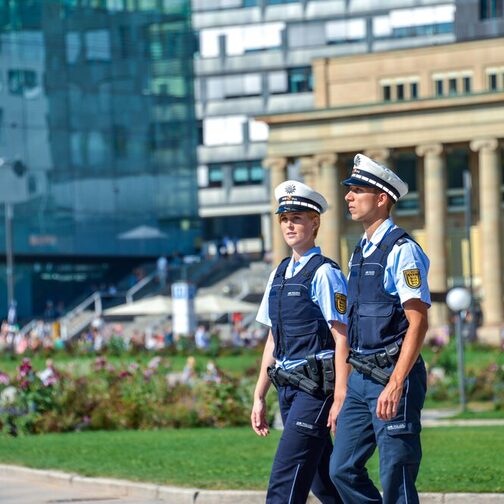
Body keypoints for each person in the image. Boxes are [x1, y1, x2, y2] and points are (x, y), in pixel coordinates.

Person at [329, 154, 431, 504]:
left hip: (392, 375)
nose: (348, 197)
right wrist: (343, 391)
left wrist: (397, 383)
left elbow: (418, 322)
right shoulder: (359, 251)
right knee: (341, 469)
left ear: (382, 198)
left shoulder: (403, 251)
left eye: (357, 190)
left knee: (395, 475)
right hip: (360, 377)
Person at [251, 180, 350, 504]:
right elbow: (273, 339)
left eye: (297, 218)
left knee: (286, 478)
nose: (290, 225)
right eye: (284, 219)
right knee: (324, 481)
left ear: (315, 223)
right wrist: (259, 395)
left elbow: (342, 336)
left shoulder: (324, 273)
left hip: (315, 389)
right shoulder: (279, 273)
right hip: (289, 389)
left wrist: (339, 396)